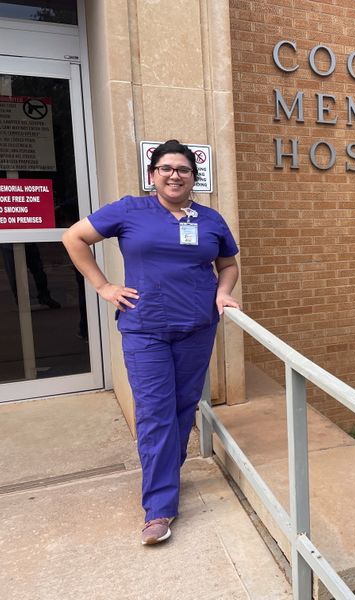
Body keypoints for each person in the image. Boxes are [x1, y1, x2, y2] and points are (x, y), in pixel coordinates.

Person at [62, 139, 240, 545]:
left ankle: (165, 477)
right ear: (152, 175)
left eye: (183, 169)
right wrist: (104, 286)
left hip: (197, 326)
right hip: (145, 328)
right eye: (166, 168)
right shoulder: (129, 210)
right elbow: (73, 238)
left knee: (181, 407)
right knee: (155, 411)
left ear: (195, 177)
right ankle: (158, 509)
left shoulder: (209, 219)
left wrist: (222, 292)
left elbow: (227, 264)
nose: (175, 175)